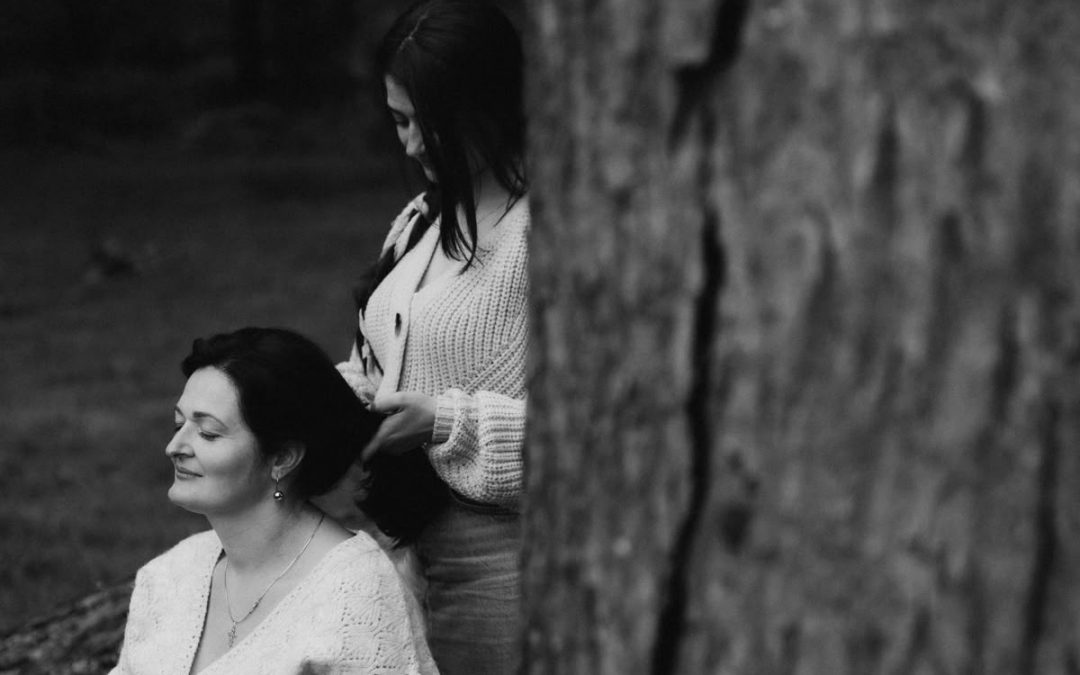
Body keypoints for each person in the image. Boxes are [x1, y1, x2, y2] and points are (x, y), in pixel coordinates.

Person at [334, 1, 529, 672]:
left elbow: (602, 437)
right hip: (408, 542)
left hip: (506, 564)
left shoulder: (547, 236)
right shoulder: (420, 219)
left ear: (490, 107)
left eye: (430, 122)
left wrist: (444, 420)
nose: (413, 145)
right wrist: (322, 397)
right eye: (400, 121)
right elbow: (376, 365)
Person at [109, 327, 438, 675]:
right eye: (179, 424)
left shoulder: (353, 596)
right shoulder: (169, 576)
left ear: (282, 458)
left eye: (208, 433)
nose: (174, 447)